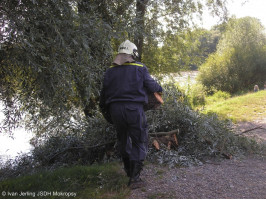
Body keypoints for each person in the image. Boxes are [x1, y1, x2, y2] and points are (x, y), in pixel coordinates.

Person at [99, 40, 163, 189]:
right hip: (134, 110)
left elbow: (103, 95)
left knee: (123, 140)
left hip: (115, 110)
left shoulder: (109, 71)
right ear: (133, 54)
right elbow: (153, 86)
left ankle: (128, 171)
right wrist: (159, 88)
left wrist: (106, 113)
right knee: (139, 141)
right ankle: (135, 179)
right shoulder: (140, 68)